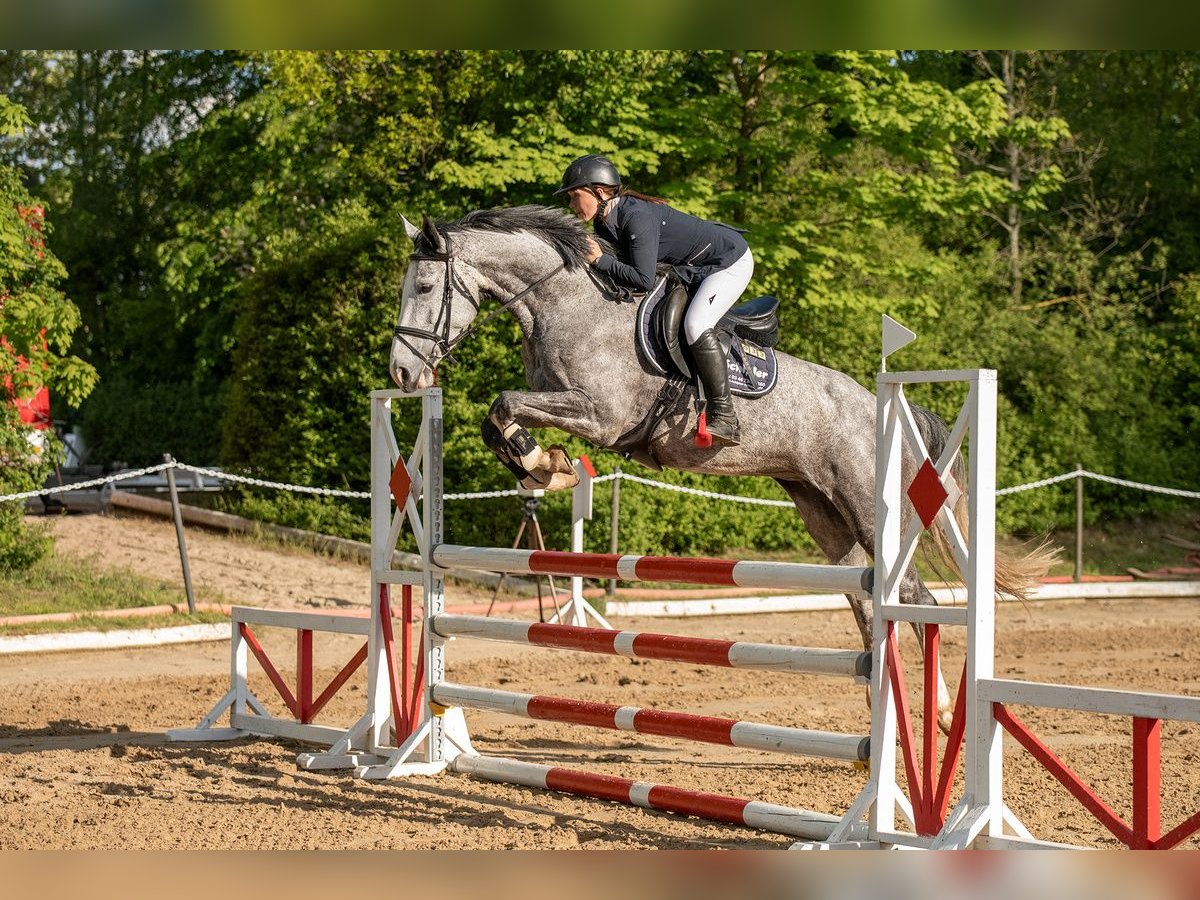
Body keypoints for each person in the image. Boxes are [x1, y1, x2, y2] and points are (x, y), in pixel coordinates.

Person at [555, 154, 753, 447]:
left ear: (598, 191)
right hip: (691, 268)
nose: (571, 205)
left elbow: (642, 279)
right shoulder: (606, 222)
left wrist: (599, 260)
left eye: (575, 196)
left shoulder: (636, 216)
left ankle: (725, 416)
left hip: (728, 261)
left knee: (696, 325)